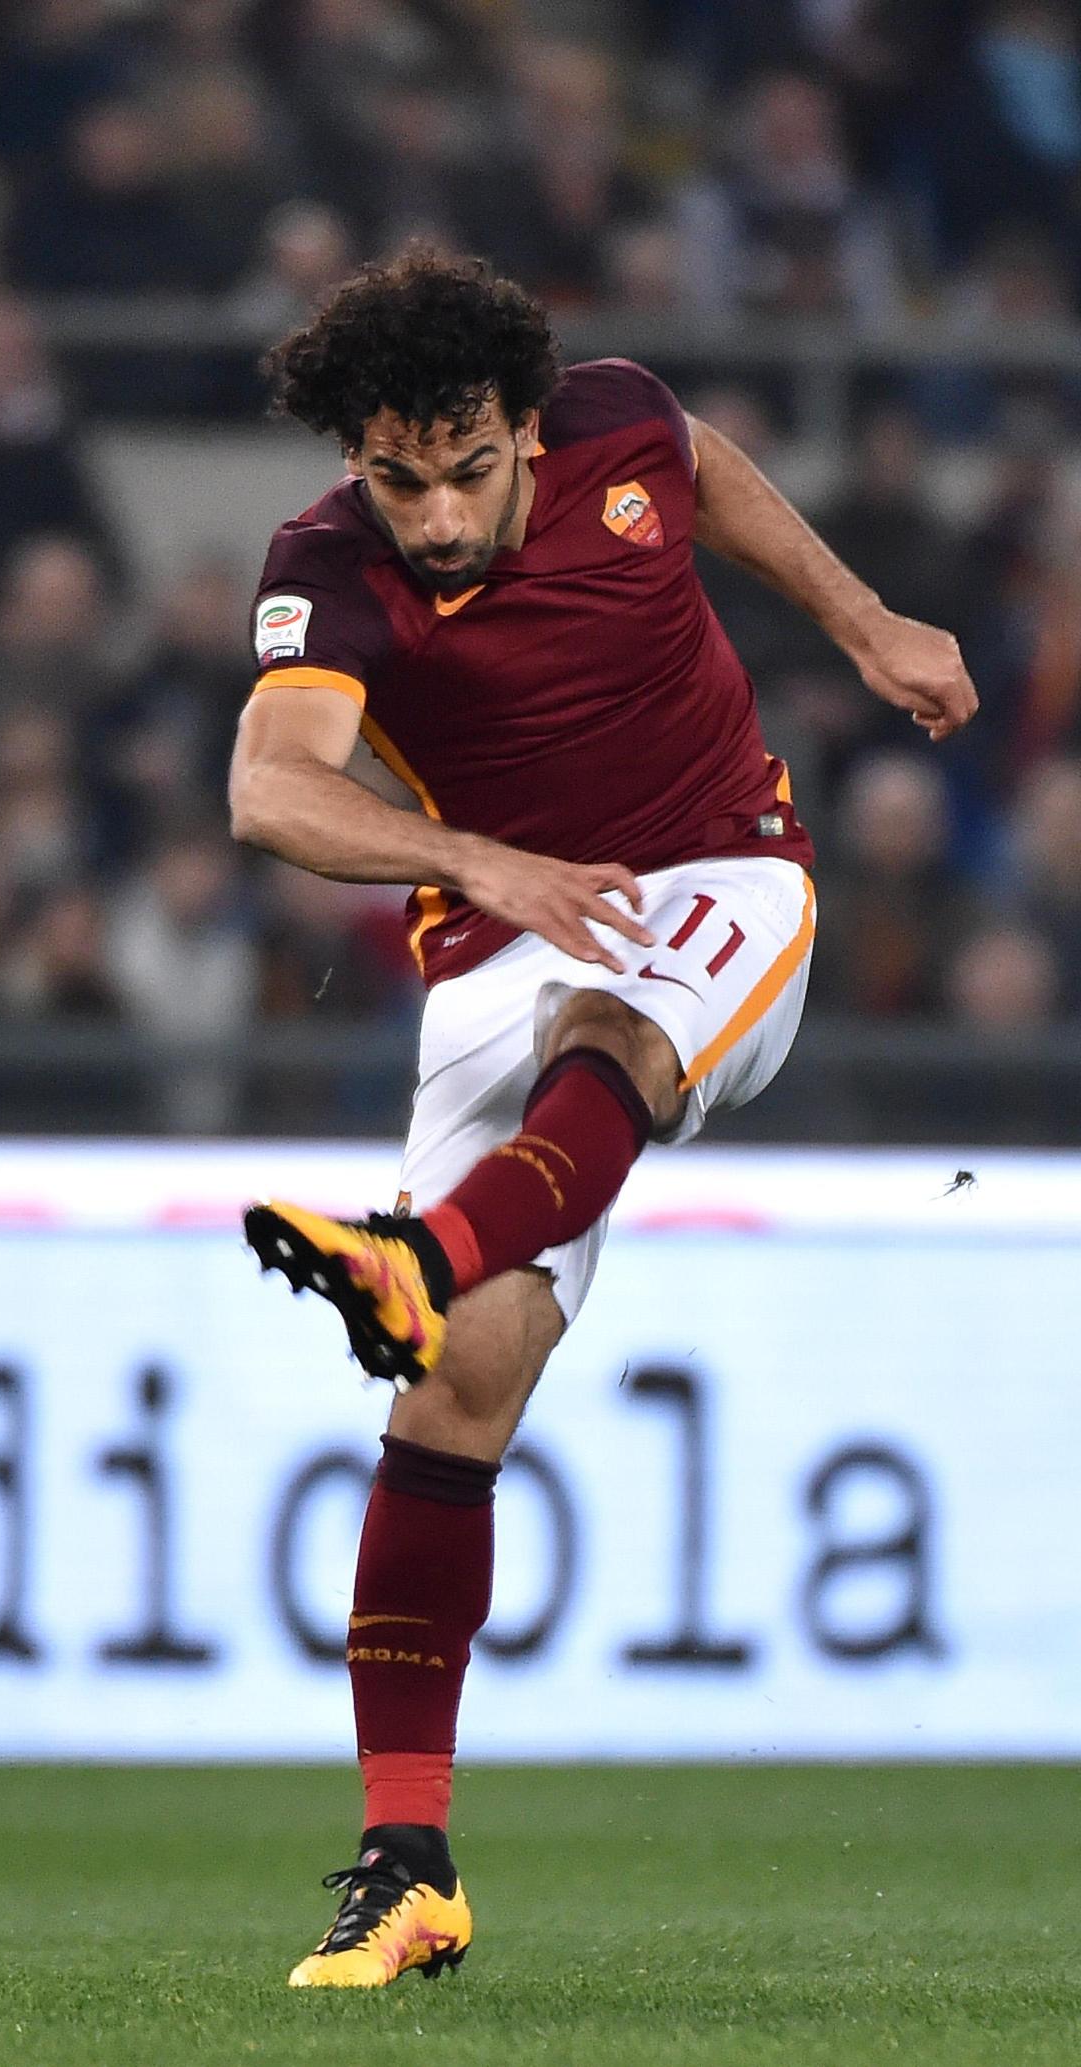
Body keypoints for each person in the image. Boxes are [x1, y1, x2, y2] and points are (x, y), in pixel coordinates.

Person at [227, 251, 975, 1988]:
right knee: (454, 1391)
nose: (435, 517)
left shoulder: (621, 422)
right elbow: (270, 789)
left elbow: (703, 463)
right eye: (397, 479)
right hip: (504, 929)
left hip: (724, 873)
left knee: (611, 1023)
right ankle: (406, 1868)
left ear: (530, 428)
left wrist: (863, 621)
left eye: (468, 470)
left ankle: (421, 1255)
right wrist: (478, 863)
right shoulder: (324, 568)